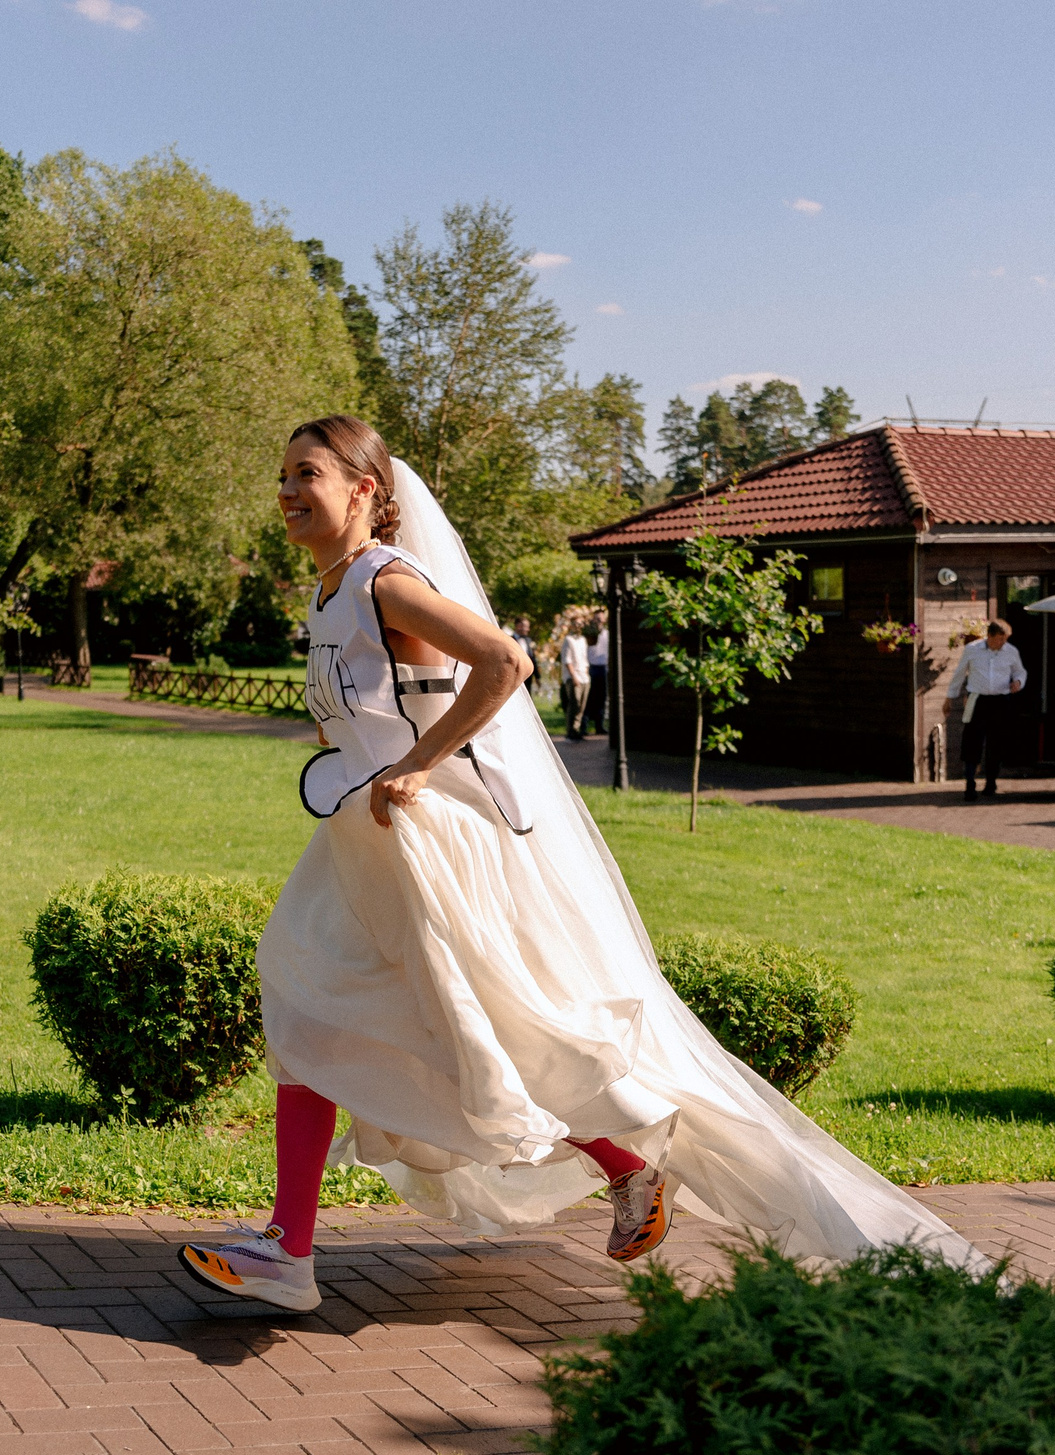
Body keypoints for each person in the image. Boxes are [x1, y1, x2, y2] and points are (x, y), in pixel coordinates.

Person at [176, 415, 977, 1314]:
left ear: (364, 489)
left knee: (487, 1033)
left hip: (425, 846)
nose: (287, 490)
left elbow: (505, 661)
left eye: (307, 474)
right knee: (316, 1015)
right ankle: (294, 1247)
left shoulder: (386, 581)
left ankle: (617, 1164)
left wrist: (417, 762)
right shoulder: (326, 592)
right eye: (282, 474)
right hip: (357, 847)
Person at [944, 619, 1026, 797]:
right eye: (999, 639)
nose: (1002, 643)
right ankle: (970, 783)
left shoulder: (1011, 652)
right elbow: (959, 673)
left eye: (1005, 639)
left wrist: (1018, 682)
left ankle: (991, 783)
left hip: (1000, 701)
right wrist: (949, 698)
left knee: (996, 743)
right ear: (989, 636)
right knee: (972, 742)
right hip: (978, 700)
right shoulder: (972, 649)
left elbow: (1020, 671)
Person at [559, 620, 591, 737]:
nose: (578, 626)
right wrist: (573, 677)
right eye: (576, 624)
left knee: (581, 706)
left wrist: (586, 674)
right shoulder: (568, 640)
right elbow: (567, 660)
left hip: (584, 676)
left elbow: (584, 658)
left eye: (580, 624)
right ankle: (571, 730)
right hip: (573, 676)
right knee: (574, 704)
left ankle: (577, 728)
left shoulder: (583, 640)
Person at [579, 622, 610, 737]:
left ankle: (599, 726)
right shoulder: (587, 633)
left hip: (603, 667)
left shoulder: (607, 634)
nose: (599, 620)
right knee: (588, 697)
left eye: (601, 619)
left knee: (602, 698)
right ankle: (584, 726)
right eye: (597, 619)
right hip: (591, 666)